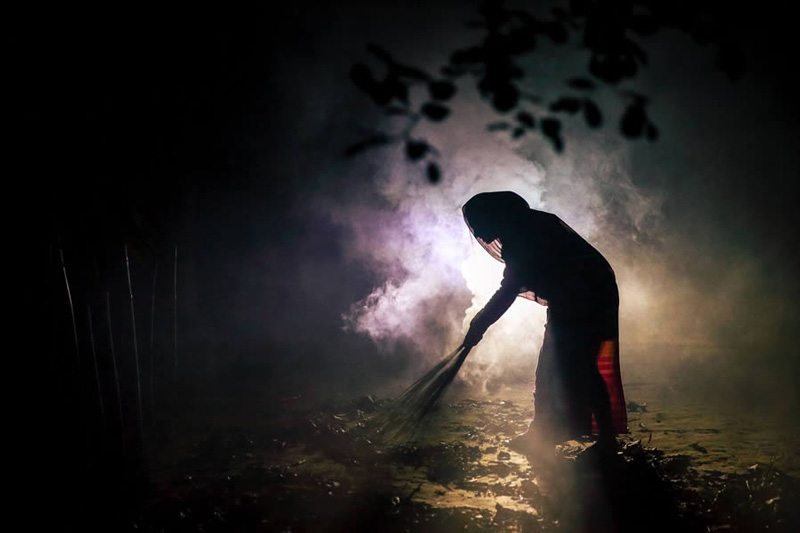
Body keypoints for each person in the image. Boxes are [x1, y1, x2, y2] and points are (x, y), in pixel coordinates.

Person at [461, 191, 627, 453]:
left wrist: (479, 324)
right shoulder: (527, 225)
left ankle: (604, 439)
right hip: (580, 294)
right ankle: (546, 432)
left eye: (480, 222)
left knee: (579, 366)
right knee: (557, 364)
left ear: (496, 216)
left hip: (586, 296)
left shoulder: (521, 236)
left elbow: (508, 290)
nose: (479, 230)